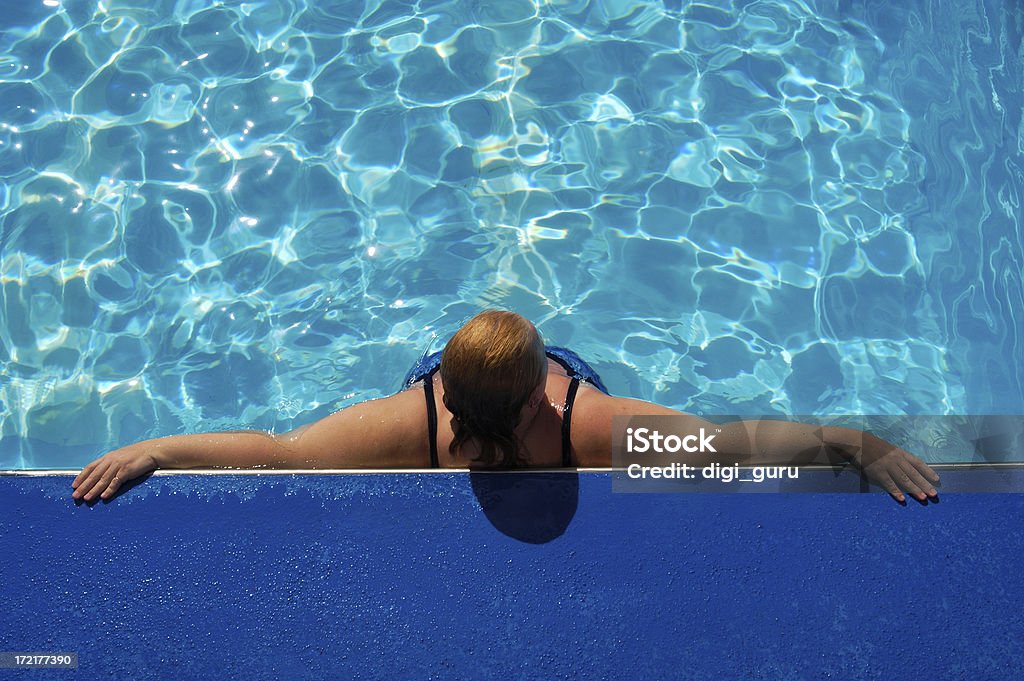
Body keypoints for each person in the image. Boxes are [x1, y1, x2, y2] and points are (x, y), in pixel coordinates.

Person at [71, 309, 940, 504]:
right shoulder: (414, 420)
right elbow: (732, 444)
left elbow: (283, 449)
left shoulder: (583, 417)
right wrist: (851, 441)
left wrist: (854, 443)